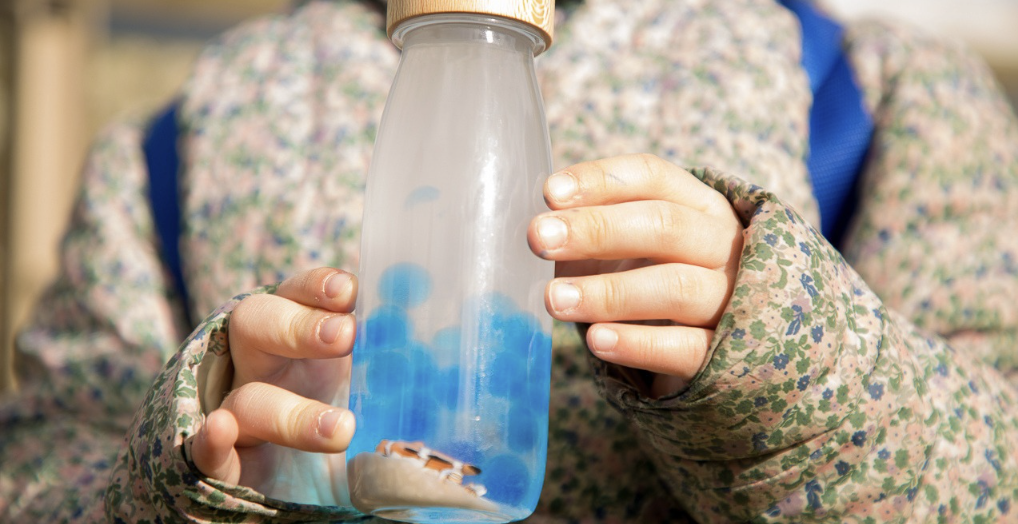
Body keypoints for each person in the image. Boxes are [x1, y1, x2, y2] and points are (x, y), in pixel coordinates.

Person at [2, 0, 1017, 521]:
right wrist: (185, 463)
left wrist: (790, 354)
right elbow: (36, 472)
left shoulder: (875, 97)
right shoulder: (178, 138)